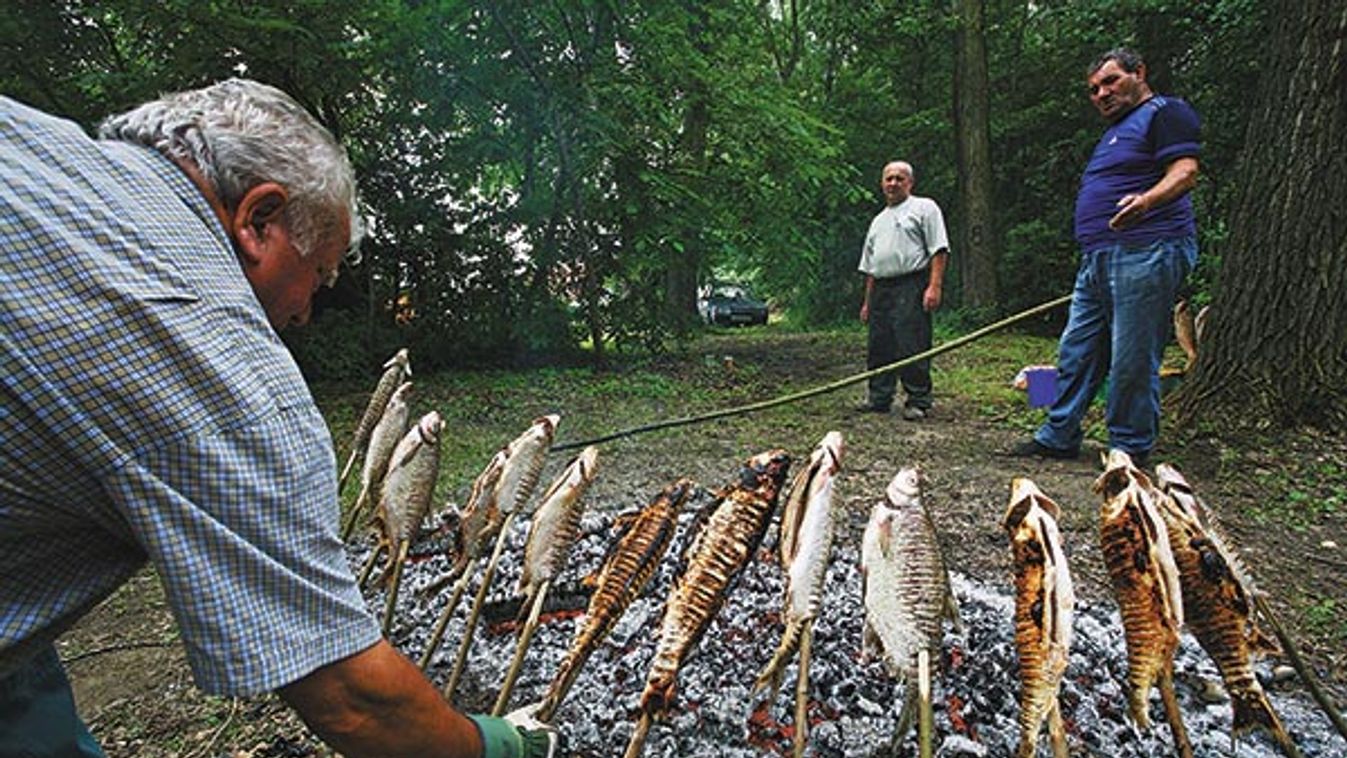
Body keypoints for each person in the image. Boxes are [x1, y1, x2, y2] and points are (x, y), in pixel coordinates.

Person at [1, 81, 552, 758]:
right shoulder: (222, 365)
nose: (305, 312)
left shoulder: (30, 141)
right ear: (259, 220)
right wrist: (498, 746)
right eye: (318, 277)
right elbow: (353, 700)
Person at [1009, 48, 1200, 466]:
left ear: (1140, 72)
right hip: (1097, 257)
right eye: (1094, 89)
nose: (1102, 94)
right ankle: (1058, 434)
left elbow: (1186, 171)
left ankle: (1128, 447)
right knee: (1076, 350)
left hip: (1147, 248)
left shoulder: (1166, 112)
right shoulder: (1115, 131)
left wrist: (1147, 201)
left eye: (1111, 81)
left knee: (1132, 354)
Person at [856, 160, 950, 420]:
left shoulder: (924, 208)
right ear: (882, 183)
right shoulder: (878, 221)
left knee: (912, 340)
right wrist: (867, 303)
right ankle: (879, 397)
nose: (893, 183)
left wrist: (934, 286)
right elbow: (871, 267)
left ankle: (918, 399)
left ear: (910, 182)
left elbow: (939, 249)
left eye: (899, 178)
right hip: (881, 287)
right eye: (889, 178)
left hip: (912, 282)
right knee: (879, 343)